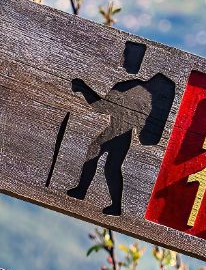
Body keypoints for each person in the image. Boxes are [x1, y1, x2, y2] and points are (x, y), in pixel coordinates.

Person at [64, 40, 177, 215]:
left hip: (119, 133)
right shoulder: (130, 86)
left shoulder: (130, 88)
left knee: (107, 165)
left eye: (125, 55)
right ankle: (89, 193)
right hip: (118, 132)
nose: (122, 59)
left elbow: (101, 107)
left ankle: (99, 198)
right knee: (105, 163)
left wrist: (83, 88)